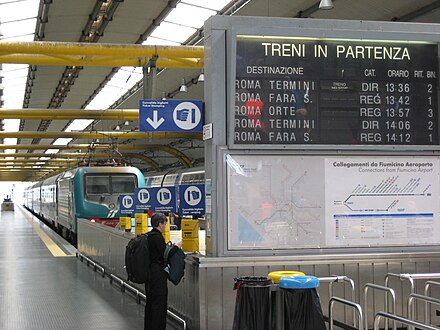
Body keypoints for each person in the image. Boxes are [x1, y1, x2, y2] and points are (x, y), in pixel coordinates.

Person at [144, 212, 182, 330]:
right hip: (157, 275)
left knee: (150, 303)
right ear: (160, 224)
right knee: (159, 305)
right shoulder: (157, 237)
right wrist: (177, 246)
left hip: (149, 274)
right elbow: (166, 254)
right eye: (165, 223)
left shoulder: (148, 236)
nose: (165, 225)